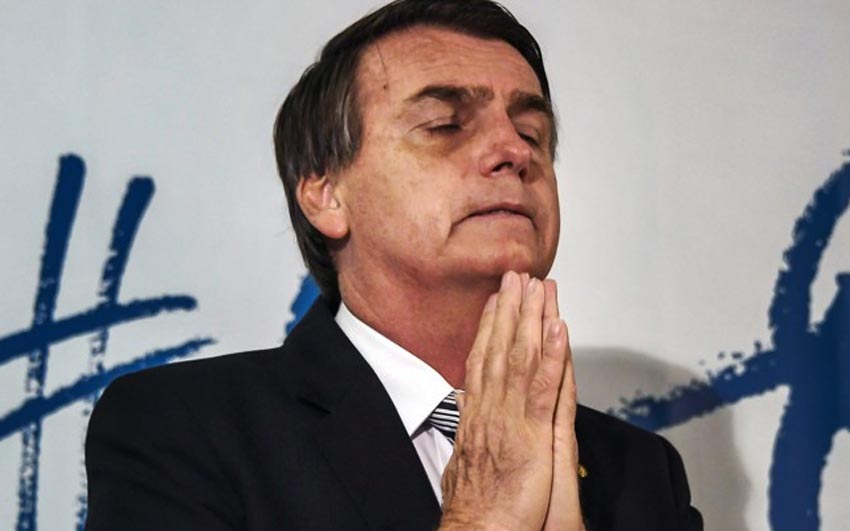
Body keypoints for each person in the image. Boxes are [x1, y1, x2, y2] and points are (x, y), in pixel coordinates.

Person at [85, 1, 703, 530]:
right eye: (444, 125)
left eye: (532, 132)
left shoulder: (642, 471)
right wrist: (480, 518)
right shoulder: (182, 427)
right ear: (326, 194)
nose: (513, 151)